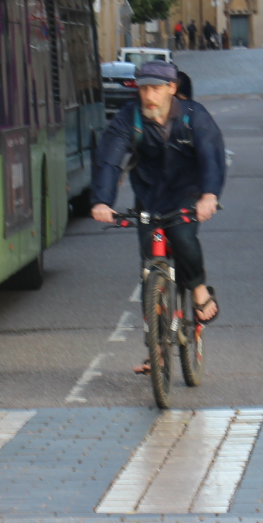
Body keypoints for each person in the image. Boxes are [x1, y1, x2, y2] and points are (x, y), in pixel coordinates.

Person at [90, 60, 226, 374]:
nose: (148, 95)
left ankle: (199, 289)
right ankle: (156, 350)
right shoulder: (130, 117)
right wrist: (101, 201)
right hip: (150, 194)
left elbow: (211, 155)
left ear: (171, 89)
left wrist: (209, 195)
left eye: (155, 88)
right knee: (149, 268)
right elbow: (110, 158)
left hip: (187, 192)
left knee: (182, 236)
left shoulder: (193, 116)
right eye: (143, 88)